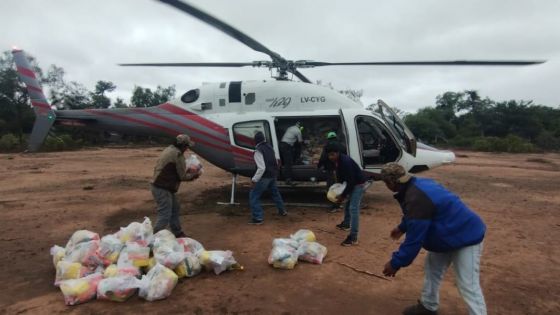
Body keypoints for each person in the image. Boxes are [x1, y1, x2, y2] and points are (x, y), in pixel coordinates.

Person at [380, 162, 487, 315]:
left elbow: (414, 239)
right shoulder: (416, 185)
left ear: (390, 183)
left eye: (385, 183)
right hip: (446, 236)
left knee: (468, 284)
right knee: (433, 269)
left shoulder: (416, 197)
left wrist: (396, 263)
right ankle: (428, 307)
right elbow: (415, 215)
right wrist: (402, 227)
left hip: (466, 237)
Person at [151, 134, 200, 237]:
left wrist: (188, 170)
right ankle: (153, 240)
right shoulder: (178, 154)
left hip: (161, 185)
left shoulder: (170, 149)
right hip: (163, 187)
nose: (187, 149)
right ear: (183, 146)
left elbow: (176, 169)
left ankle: (177, 233)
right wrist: (195, 175)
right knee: (165, 215)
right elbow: (182, 176)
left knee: (175, 208)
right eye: (187, 146)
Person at [326, 143, 366, 246]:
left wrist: (342, 196)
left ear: (337, 153)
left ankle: (353, 237)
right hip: (351, 183)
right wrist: (339, 189)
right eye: (329, 155)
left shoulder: (345, 162)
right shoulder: (337, 161)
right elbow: (342, 177)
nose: (331, 157)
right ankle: (346, 224)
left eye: (332, 154)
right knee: (348, 205)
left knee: (353, 208)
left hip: (358, 184)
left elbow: (351, 182)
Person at [249, 131, 287, 225]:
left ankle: (258, 218)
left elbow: (261, 168)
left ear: (256, 140)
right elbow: (275, 161)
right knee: (275, 193)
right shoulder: (269, 147)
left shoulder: (258, 150)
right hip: (273, 175)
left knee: (253, 195)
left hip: (264, 176)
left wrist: (254, 179)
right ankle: (282, 211)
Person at [317, 131, 347, 212]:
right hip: (340, 170)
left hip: (331, 170)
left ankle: (334, 206)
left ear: (328, 138)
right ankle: (339, 204)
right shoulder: (342, 146)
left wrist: (319, 166)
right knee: (339, 187)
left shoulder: (328, 146)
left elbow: (323, 157)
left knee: (331, 188)